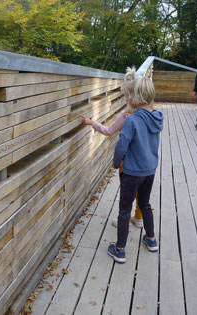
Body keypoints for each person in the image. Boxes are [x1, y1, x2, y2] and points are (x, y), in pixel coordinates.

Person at [107, 72, 163, 263]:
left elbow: (121, 146)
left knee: (125, 209)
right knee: (145, 204)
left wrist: (116, 163)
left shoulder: (131, 120)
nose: (127, 98)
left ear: (138, 96)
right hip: (150, 170)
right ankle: (151, 238)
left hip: (131, 173)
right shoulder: (157, 118)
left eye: (129, 95)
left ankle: (120, 250)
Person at [80, 68, 144, 229]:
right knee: (141, 191)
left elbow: (108, 131)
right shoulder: (148, 115)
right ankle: (139, 217)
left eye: (126, 96)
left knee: (127, 192)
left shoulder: (125, 116)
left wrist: (91, 122)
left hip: (128, 162)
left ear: (132, 97)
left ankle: (124, 220)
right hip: (145, 161)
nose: (125, 98)